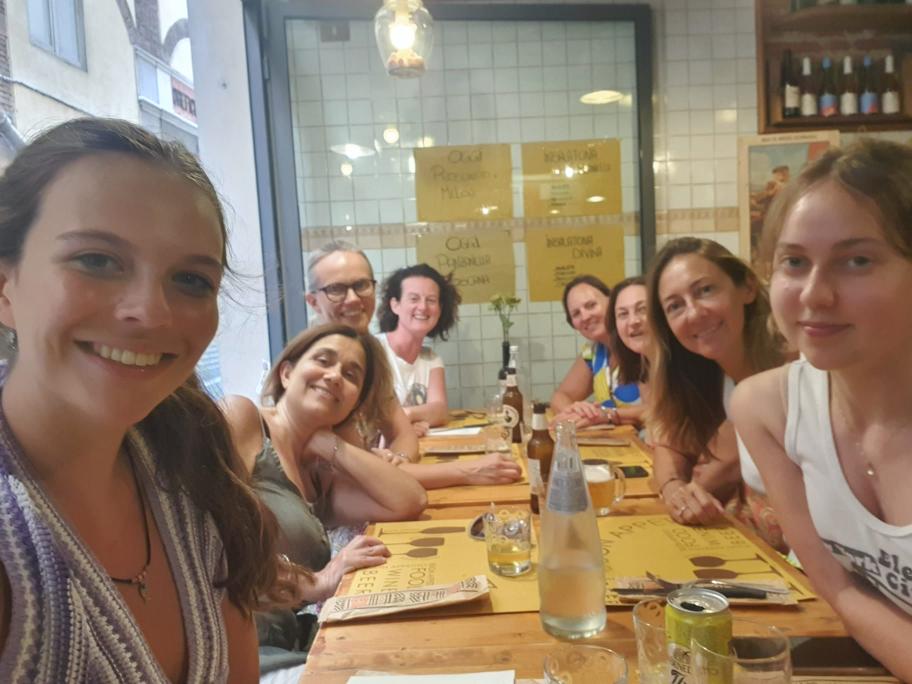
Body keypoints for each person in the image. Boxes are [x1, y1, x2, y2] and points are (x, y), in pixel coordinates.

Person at [0, 117, 296, 681]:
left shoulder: (192, 475)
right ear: (5, 286)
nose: (151, 312)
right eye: (96, 260)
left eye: (190, 280)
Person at [731, 139, 912, 679]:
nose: (815, 294)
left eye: (857, 261)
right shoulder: (767, 409)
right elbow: (841, 591)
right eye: (794, 262)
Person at [223, 323, 427, 677]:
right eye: (323, 360)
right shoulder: (244, 420)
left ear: (352, 405)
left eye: (350, 375)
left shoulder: (318, 479)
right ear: (287, 372)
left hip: (293, 643)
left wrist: (332, 445)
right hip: (241, 655)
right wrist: (316, 582)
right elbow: (215, 542)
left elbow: (409, 500)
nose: (334, 376)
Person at [305, 241, 520, 489]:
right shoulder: (315, 368)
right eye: (336, 289)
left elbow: (403, 434)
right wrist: (468, 470)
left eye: (361, 285)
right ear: (313, 302)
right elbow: (350, 478)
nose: (353, 298)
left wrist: (399, 460)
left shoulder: (370, 355)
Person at [647, 237, 786, 550]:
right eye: (675, 306)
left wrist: (690, 492)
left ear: (747, 287)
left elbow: (717, 473)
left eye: (705, 290)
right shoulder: (707, 373)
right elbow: (668, 443)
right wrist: (672, 487)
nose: (694, 313)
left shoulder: (792, 367)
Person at [376, 263, 461, 435]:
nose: (423, 307)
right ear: (395, 305)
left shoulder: (432, 359)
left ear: (440, 309)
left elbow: (440, 411)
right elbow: (369, 417)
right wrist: (408, 423)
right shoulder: (374, 350)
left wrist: (407, 415)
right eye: (414, 299)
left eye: (431, 300)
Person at [551, 275, 641, 426]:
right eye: (576, 313)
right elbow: (560, 396)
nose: (585, 316)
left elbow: (660, 411)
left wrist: (607, 415)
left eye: (591, 305)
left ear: (612, 302)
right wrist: (576, 411)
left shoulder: (639, 342)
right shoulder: (593, 352)